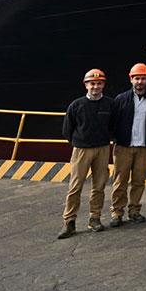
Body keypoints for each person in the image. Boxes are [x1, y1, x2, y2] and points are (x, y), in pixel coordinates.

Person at [58, 69, 115, 239]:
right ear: (86, 85)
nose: (95, 86)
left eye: (99, 83)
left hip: (102, 148)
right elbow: (67, 129)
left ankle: (95, 218)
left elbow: (113, 125)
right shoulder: (77, 105)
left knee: (99, 185)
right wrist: (79, 142)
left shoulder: (109, 104)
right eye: (92, 83)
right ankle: (69, 222)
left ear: (103, 84)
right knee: (75, 186)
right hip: (82, 149)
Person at [109, 63, 146, 227]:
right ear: (131, 79)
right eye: (137, 78)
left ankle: (134, 211)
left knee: (139, 181)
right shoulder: (121, 99)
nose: (140, 81)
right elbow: (113, 122)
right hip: (123, 146)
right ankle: (117, 212)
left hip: (144, 146)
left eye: (143, 78)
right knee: (120, 181)